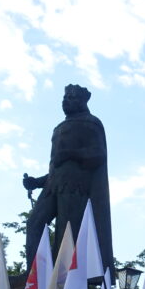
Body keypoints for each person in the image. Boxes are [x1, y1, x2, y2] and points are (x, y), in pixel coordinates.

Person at [23, 84, 112, 268]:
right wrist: (37, 182)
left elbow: (98, 154)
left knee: (67, 231)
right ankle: (35, 274)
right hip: (53, 185)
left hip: (75, 186)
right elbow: (57, 167)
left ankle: (65, 275)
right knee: (34, 224)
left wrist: (71, 153)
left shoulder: (91, 123)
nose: (65, 101)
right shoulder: (59, 128)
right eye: (64, 98)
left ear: (82, 101)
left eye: (71, 98)